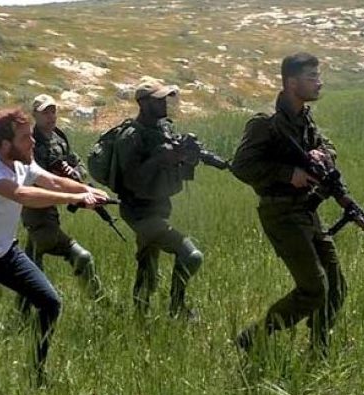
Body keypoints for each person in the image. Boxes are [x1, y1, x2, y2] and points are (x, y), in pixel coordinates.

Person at [0, 108, 107, 395]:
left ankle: (37, 372)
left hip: (6, 253)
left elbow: (52, 182)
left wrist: (88, 190)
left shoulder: (23, 163)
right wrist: (75, 198)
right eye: (25, 137)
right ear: (5, 144)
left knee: (50, 303)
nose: (32, 141)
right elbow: (21, 195)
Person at [231, 52, 347, 356]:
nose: (319, 83)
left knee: (335, 286)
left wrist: (324, 155)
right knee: (314, 289)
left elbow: (326, 144)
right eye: (312, 77)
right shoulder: (265, 122)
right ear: (292, 83)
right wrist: (287, 174)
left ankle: (318, 350)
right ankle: (253, 337)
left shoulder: (304, 116)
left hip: (307, 209)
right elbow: (241, 166)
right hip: (280, 212)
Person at [112, 80, 203, 319]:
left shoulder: (164, 130)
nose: (164, 103)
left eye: (165, 99)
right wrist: (159, 159)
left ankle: (140, 318)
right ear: (143, 103)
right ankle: (177, 308)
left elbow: (180, 170)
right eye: (158, 100)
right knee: (191, 255)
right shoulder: (131, 137)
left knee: (147, 266)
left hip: (160, 208)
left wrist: (186, 158)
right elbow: (132, 181)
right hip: (139, 212)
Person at [19, 94, 102, 314]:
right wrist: (69, 191)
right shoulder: (29, 141)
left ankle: (23, 312)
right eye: (45, 112)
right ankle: (99, 303)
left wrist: (75, 174)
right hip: (35, 208)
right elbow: (30, 177)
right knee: (80, 257)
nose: (50, 116)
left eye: (53, 111)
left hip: (50, 209)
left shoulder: (59, 138)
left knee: (31, 263)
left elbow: (77, 163)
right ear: (35, 115)